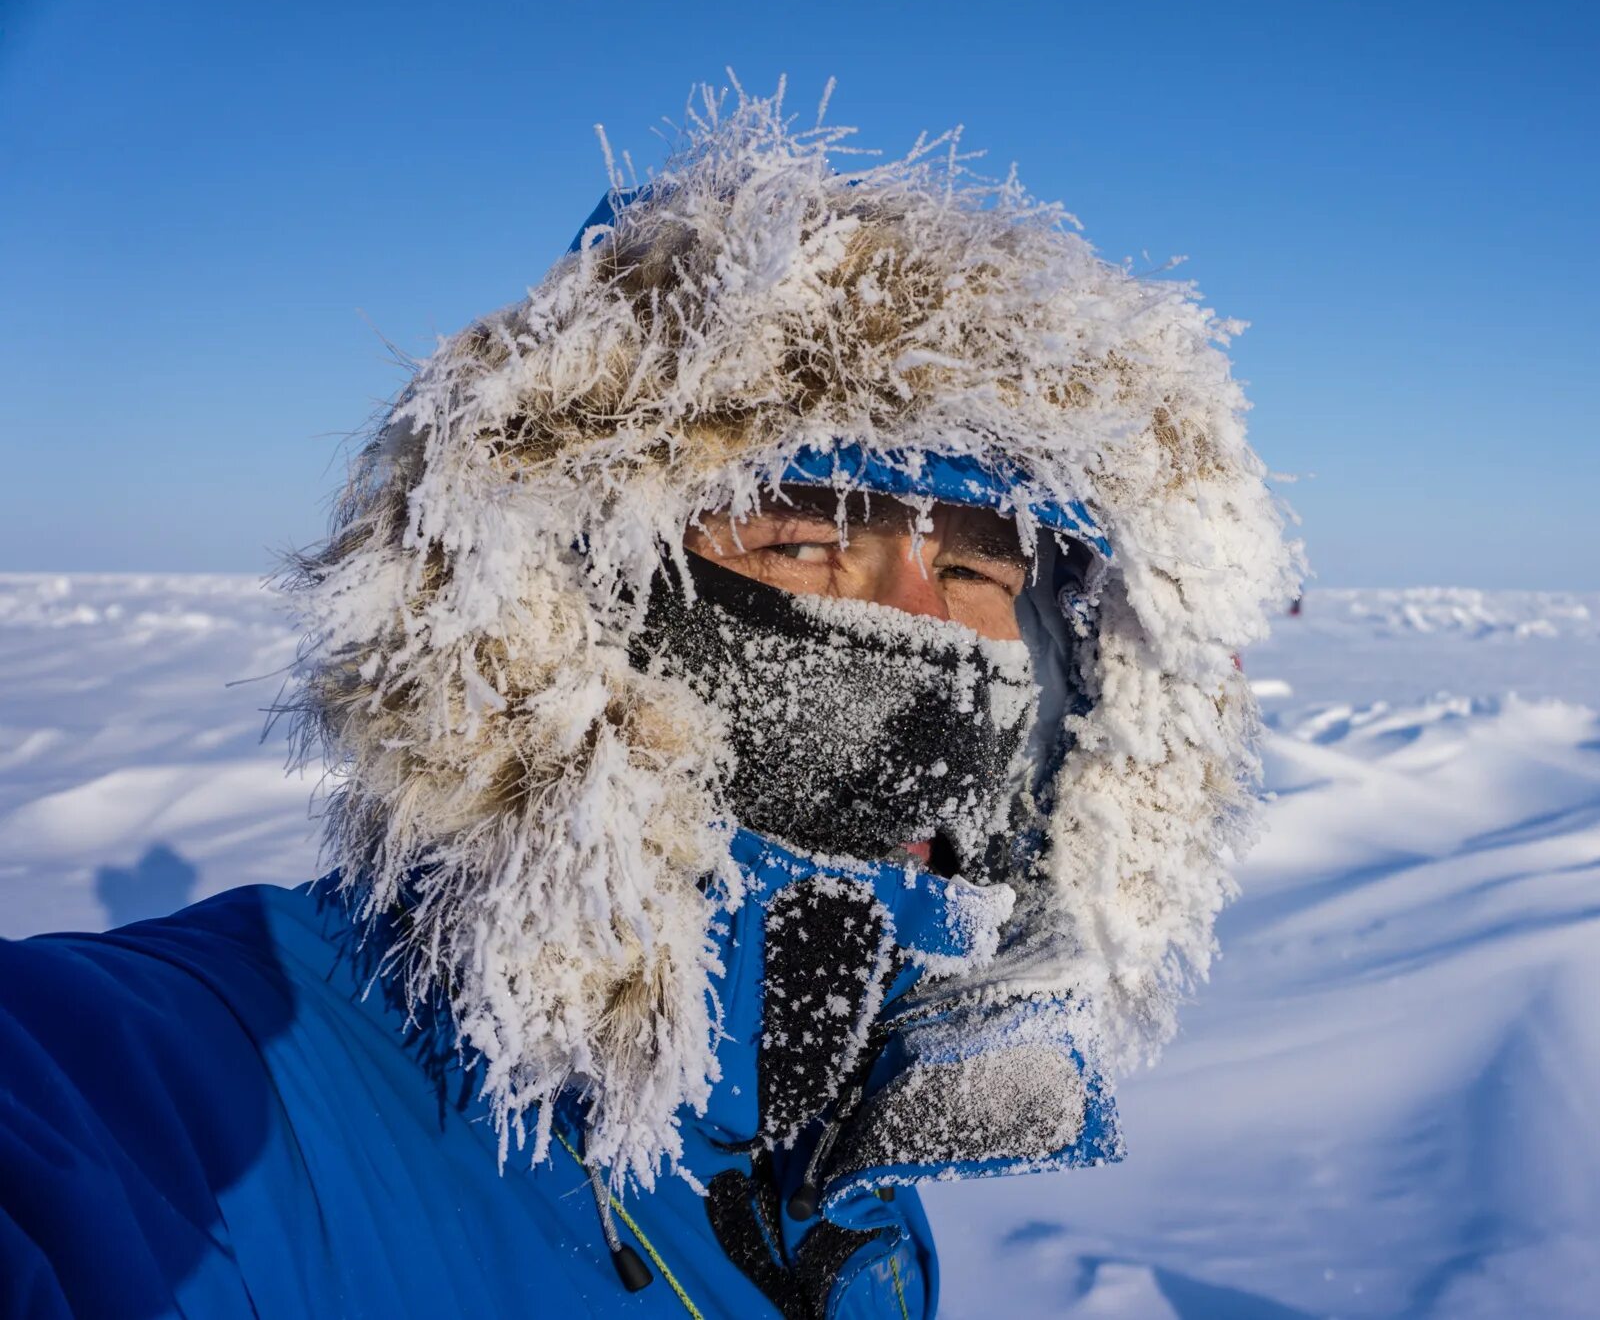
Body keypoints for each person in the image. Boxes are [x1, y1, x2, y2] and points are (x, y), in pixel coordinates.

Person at [0, 86, 1295, 1318]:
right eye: (804, 546)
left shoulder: (845, 1131)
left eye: (971, 570)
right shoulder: (212, 1087)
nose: (916, 639)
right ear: (586, 594)